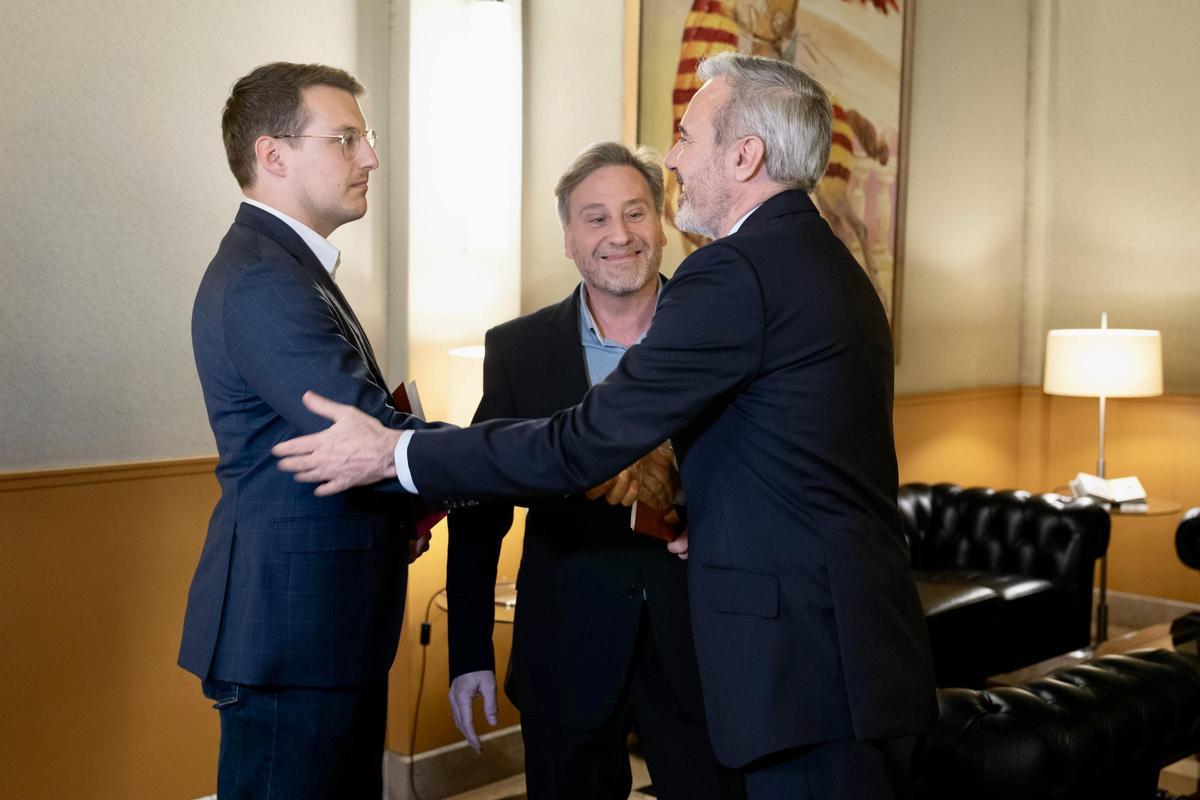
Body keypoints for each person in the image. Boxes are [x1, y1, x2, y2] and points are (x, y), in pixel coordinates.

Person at [274, 52, 937, 799]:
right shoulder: (821, 260)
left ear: (745, 155)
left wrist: (398, 450)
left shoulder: (737, 272)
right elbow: (795, 463)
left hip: (804, 666)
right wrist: (714, 520)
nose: (676, 157)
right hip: (842, 651)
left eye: (688, 135)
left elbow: (578, 445)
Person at [446, 142, 744, 800]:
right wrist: (468, 651)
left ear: (662, 225)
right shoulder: (518, 352)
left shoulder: (723, 336)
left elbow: (767, 475)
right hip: (565, 654)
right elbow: (478, 509)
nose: (620, 235)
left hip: (704, 646)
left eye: (636, 214)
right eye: (596, 218)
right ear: (569, 240)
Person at [179, 62, 435, 798]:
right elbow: (369, 431)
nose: (372, 158)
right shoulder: (265, 277)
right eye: (347, 138)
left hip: (322, 630)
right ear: (273, 155)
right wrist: (535, 446)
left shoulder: (291, 268)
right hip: (291, 637)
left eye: (368, 137)